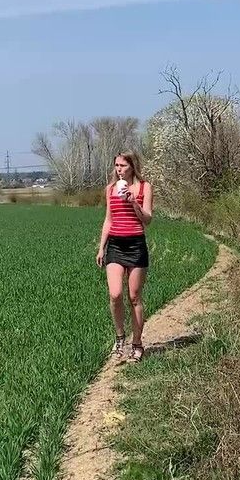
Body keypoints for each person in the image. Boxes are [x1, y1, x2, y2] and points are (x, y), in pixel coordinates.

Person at [96, 151, 154, 362]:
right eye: (116, 165)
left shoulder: (144, 187)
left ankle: (137, 344)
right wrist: (102, 248)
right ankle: (120, 337)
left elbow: (147, 220)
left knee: (134, 297)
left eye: (122, 165)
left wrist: (133, 203)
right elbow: (108, 220)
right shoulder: (110, 189)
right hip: (115, 246)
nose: (118, 169)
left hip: (136, 245)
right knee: (115, 294)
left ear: (132, 166)